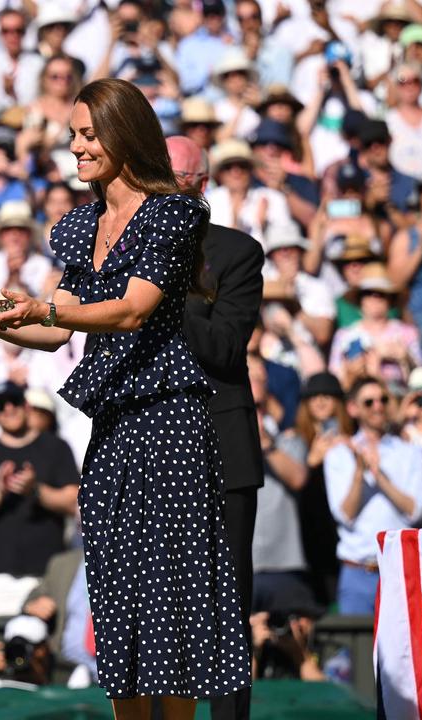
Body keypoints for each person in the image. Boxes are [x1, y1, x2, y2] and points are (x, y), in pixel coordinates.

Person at [0, 78, 250, 718]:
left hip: (170, 431)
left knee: (173, 607)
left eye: (88, 136)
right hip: (111, 433)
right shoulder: (81, 224)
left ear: (122, 135)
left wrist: (48, 306)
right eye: (73, 137)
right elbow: (60, 324)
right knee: (120, 603)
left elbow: (133, 311)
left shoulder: (171, 214)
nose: (76, 149)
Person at [166, 135, 265, 720]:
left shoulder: (235, 251)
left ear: (201, 184)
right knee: (155, 598)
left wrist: (158, 294)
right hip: (149, 442)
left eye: (175, 175)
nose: (163, 184)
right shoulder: (121, 242)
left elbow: (227, 347)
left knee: (226, 602)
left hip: (220, 446)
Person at [0, 381, 80, 616]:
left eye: (14, 402)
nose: (9, 409)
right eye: (1, 406)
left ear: (27, 406)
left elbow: (73, 502)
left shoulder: (55, 448)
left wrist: (35, 490)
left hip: (45, 573)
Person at [323, 376, 422, 615]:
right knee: (356, 650)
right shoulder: (339, 455)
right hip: (357, 573)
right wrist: (360, 473)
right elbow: (344, 515)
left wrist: (380, 477)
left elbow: (416, 512)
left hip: (401, 571)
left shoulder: (410, 452)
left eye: (383, 399)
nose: (378, 406)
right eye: (369, 402)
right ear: (353, 408)